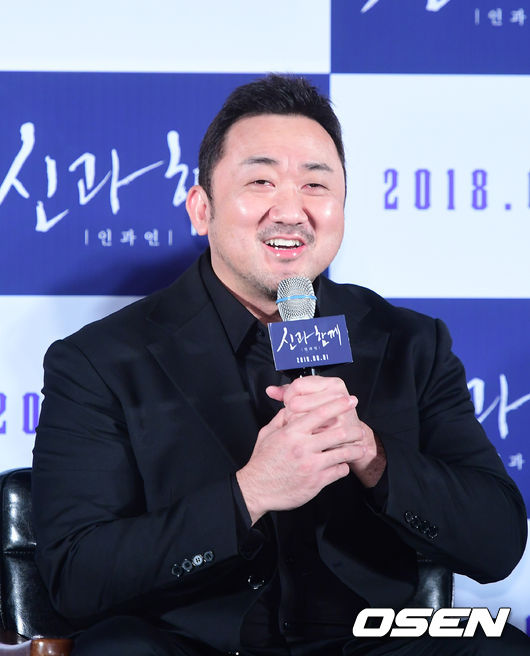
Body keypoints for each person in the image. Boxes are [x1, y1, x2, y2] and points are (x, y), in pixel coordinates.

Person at [32, 75, 529, 655]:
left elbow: (498, 543)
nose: (291, 211)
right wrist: (249, 493)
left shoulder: (410, 343)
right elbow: (76, 578)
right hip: (185, 644)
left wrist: (372, 455)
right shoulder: (100, 360)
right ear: (201, 209)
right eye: (261, 181)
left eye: (315, 184)